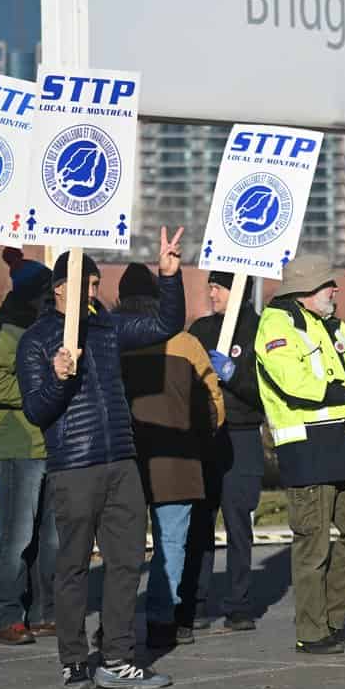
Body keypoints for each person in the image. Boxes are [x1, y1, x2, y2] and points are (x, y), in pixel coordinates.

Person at [19, 231, 186, 689]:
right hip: (74, 466)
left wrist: (169, 277)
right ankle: (74, 662)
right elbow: (36, 410)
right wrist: (56, 376)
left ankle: (117, 657)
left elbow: (164, 326)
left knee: (127, 562)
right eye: (85, 286)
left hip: (121, 461)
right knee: (72, 566)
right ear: (58, 289)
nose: (93, 294)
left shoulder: (108, 328)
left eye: (96, 285)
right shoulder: (36, 341)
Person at [255, 254, 345, 655]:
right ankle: (312, 630)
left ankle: (331, 617)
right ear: (305, 292)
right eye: (329, 286)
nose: (336, 291)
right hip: (306, 449)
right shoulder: (275, 325)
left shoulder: (337, 326)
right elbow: (294, 382)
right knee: (314, 544)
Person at [114, 263, 224, 649]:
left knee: (122, 548)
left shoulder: (108, 338)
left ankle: (116, 624)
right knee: (171, 544)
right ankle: (163, 620)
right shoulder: (184, 342)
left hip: (121, 458)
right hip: (177, 458)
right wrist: (201, 437)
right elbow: (215, 404)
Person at [0, 258, 58, 646]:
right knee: (16, 535)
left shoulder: (48, 332)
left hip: (49, 442)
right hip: (16, 444)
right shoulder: (4, 333)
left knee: (52, 536)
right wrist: (41, 392)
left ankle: (46, 610)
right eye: (45, 294)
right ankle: (8, 615)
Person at [189, 271, 265, 632]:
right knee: (201, 521)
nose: (211, 293)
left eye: (218, 287)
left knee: (238, 524)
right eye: (210, 286)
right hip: (206, 436)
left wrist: (235, 375)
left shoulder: (260, 330)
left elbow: (265, 393)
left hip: (243, 435)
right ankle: (196, 601)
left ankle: (239, 604)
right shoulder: (201, 330)